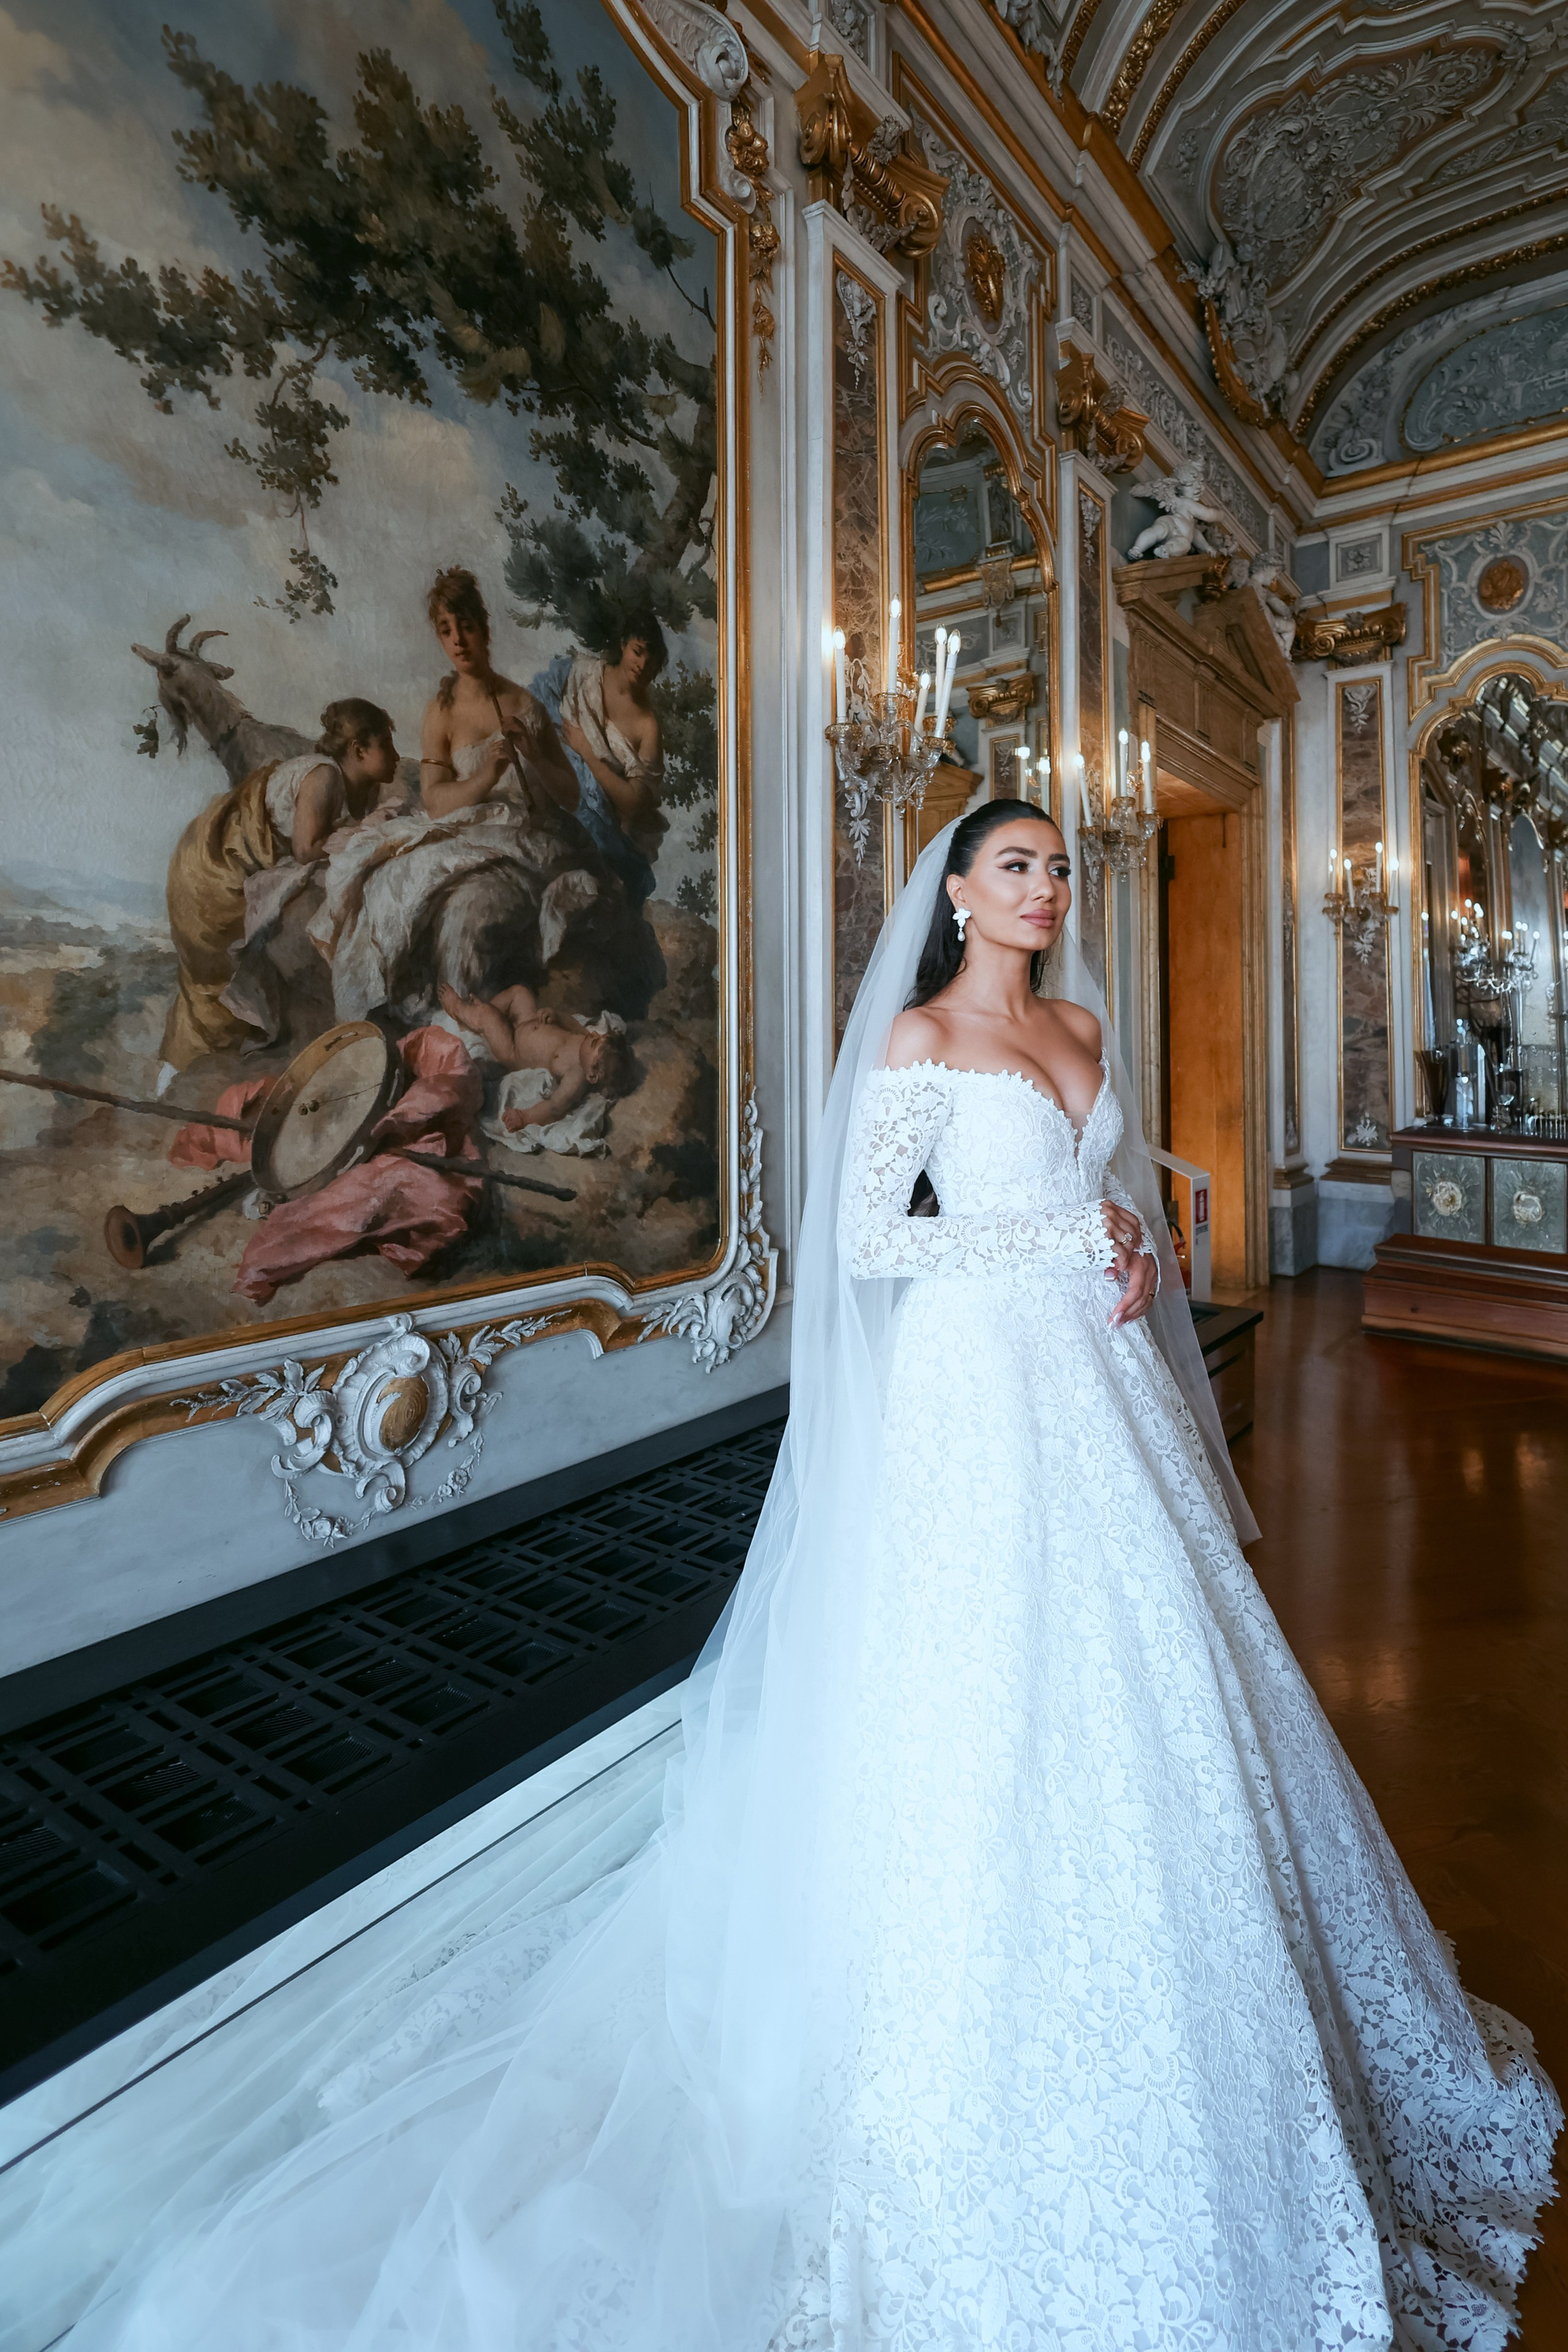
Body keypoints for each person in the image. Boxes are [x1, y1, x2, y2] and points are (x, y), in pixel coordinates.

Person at [74, 805, 1559, 2351]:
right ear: (959, 897)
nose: (1044, 887)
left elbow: (1102, 1192)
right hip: (981, 1395)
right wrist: (1049, 1228)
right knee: (985, 1681)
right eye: (1014, 866)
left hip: (1095, 1388)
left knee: (1164, 1678)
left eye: (1056, 866)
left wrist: (1121, 1233)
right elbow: (868, 1239)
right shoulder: (916, 1039)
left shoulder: (1084, 1021)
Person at [158, 699, 401, 1076]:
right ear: (358, 750)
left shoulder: (364, 788)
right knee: (217, 980)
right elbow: (307, 849)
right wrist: (364, 832)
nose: (398, 755)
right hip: (219, 866)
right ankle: (184, 1072)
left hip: (254, 862)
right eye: (387, 743)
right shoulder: (324, 776)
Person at [419, 566, 579, 821]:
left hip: (533, 837)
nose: (458, 640)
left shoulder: (526, 705)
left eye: (466, 626)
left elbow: (572, 798)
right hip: (469, 839)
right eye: (447, 630)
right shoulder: (440, 713)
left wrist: (536, 757)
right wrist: (486, 777)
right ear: (440, 639)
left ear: (485, 631)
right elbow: (435, 805)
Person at [554, 615, 669, 903]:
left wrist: (587, 753)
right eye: (637, 651)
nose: (642, 665)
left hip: (606, 817)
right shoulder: (585, 674)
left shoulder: (648, 728)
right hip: (559, 777)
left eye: (650, 659)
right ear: (623, 646)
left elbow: (632, 802)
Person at [436, 978, 635, 1131]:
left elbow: (555, 1107)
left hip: (513, 1049)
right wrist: (557, 1017)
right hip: (528, 1021)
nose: (593, 1034)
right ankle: (475, 1018)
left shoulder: (576, 1076)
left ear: (592, 1075)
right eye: (598, 1036)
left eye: (594, 1043)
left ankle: (458, 1009)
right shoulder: (584, 1038)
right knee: (519, 993)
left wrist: (524, 1117)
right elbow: (572, 1025)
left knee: (489, 1016)